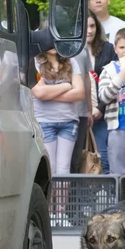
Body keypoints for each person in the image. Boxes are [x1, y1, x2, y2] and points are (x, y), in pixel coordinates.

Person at [32, 42, 85, 224]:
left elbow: (80, 93)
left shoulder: (71, 61)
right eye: (48, 41)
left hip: (68, 121)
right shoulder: (35, 62)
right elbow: (38, 93)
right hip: (44, 121)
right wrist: (66, 86)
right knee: (50, 167)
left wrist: (50, 93)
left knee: (63, 168)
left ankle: (61, 213)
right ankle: (47, 212)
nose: (52, 45)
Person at [99, 28, 125, 174]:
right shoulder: (109, 70)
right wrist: (120, 78)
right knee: (119, 174)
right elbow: (103, 97)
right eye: (122, 47)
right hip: (118, 129)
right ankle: (120, 198)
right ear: (115, 49)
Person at [86, 10, 117, 174]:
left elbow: (115, 82)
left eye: (92, 26)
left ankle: (106, 197)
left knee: (103, 156)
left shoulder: (108, 49)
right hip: (78, 113)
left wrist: (100, 108)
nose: (89, 30)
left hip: (103, 112)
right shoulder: (70, 50)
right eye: (85, 27)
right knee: (81, 157)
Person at [70, 47, 93, 173]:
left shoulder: (83, 46)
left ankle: (72, 192)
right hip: (55, 112)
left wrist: (89, 109)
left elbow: (86, 77)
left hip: (80, 111)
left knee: (76, 159)